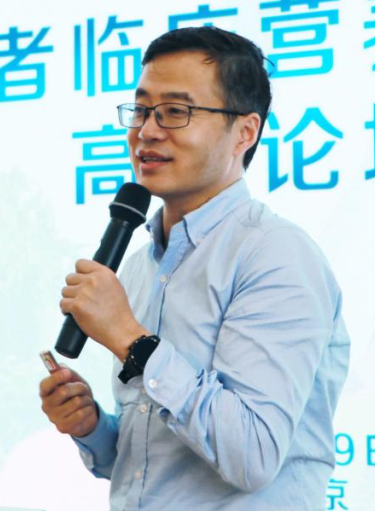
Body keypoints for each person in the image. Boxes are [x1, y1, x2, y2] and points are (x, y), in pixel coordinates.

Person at [39, 26, 350, 510]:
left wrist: (130, 340)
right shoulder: (139, 267)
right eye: (141, 110)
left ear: (245, 132)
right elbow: (154, 463)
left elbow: (252, 455)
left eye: (175, 112)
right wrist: (93, 427)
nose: (147, 131)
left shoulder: (275, 255)